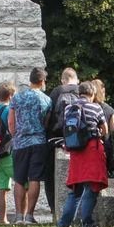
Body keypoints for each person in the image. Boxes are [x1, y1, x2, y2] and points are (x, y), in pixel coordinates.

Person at [58, 81, 108, 227]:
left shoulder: (69, 108)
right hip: (92, 149)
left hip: (75, 150)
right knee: (91, 188)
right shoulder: (96, 107)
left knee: (75, 190)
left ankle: (63, 224)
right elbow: (105, 130)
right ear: (92, 94)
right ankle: (86, 223)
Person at [9, 67, 52, 224]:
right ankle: (29, 216)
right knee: (34, 178)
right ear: (42, 81)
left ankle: (18, 215)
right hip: (38, 142)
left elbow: (11, 121)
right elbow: (46, 123)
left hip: (20, 143)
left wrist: (16, 137)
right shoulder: (46, 100)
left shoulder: (17, 97)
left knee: (19, 179)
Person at [44, 68, 80, 211]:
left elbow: (48, 115)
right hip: (79, 141)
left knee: (51, 176)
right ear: (77, 79)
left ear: (62, 80)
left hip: (56, 139)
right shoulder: (82, 90)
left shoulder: (57, 92)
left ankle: (54, 208)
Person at [0, 82, 16, 225]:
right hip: (8, 151)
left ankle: (3, 219)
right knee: (22, 183)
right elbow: (13, 128)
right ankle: (23, 216)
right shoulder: (9, 110)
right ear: (11, 95)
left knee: (2, 188)